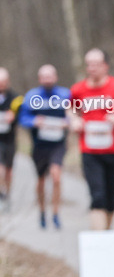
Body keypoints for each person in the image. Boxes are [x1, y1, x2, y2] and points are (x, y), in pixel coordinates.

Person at [69, 48, 114, 230]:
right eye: (89, 64)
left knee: (110, 199)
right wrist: (75, 120)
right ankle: (98, 240)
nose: (91, 68)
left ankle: (106, 236)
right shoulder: (78, 89)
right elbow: (69, 109)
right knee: (97, 196)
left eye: (96, 64)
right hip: (89, 150)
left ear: (106, 66)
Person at [18, 65, 70, 228]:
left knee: (56, 176)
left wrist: (66, 123)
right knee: (41, 180)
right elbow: (23, 118)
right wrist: (35, 122)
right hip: (39, 145)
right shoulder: (31, 96)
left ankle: (55, 213)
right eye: (44, 77)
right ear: (40, 79)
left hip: (58, 144)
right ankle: (42, 211)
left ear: (56, 77)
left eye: (50, 76)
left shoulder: (65, 95)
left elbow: (74, 114)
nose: (47, 80)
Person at [0, 68, 22, 212]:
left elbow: (23, 118)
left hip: (10, 139)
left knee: (8, 170)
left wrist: (14, 118)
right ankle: (1, 194)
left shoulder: (16, 98)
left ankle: (7, 195)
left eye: (3, 82)